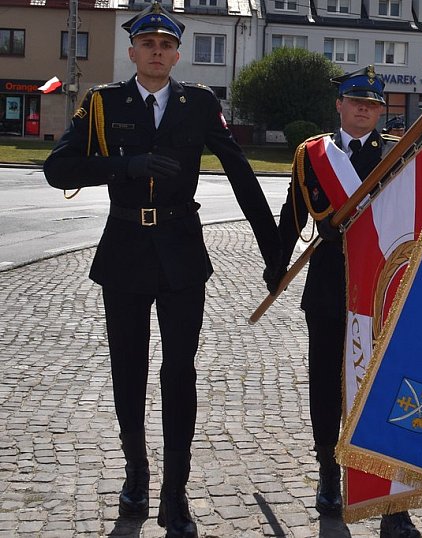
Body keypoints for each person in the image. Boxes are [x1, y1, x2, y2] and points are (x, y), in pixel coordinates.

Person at [43, 4, 282, 536]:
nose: (157, 51)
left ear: (177, 54)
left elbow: (241, 173)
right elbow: (57, 168)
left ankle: (175, 493)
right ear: (133, 52)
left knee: (179, 373)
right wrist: (122, 166)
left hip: (180, 252)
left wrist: (272, 252)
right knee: (127, 370)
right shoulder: (104, 104)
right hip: (125, 250)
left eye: (166, 45)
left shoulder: (198, 104)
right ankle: (136, 474)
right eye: (147, 44)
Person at [272, 66, 421, 538]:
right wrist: (275, 262)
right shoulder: (314, 155)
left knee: (384, 386)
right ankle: (328, 470)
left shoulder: (401, 153)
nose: (365, 109)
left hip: (382, 288)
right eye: (356, 101)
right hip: (331, 284)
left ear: (381, 110)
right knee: (327, 386)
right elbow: (293, 212)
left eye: (373, 104)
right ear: (339, 104)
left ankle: (391, 495)